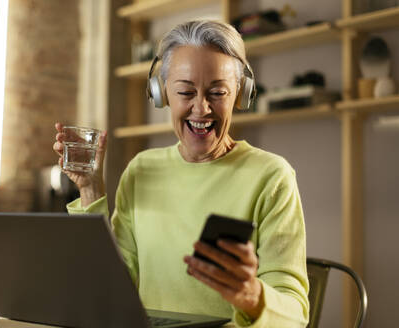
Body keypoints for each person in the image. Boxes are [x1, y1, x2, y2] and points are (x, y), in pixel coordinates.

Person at [53, 20, 309, 327]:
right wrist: (90, 190)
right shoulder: (141, 169)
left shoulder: (272, 176)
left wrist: (252, 297)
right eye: (186, 92)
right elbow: (109, 287)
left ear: (240, 95)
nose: (201, 109)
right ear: (161, 95)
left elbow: (294, 315)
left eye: (218, 93)